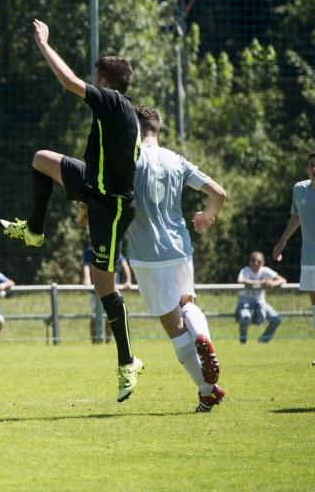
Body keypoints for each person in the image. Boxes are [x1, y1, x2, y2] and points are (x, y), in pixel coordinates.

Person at [0, 19, 143, 402]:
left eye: (97, 78)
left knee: (104, 288)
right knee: (42, 159)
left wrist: (45, 43)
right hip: (93, 185)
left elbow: (67, 81)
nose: (92, 83)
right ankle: (34, 229)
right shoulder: (115, 107)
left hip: (110, 206)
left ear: (106, 82)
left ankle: (127, 361)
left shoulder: (113, 102)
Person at [125, 105, 227, 412]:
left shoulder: (127, 160)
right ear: (157, 128)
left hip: (146, 254)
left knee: (174, 326)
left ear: (133, 127)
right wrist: (208, 215)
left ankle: (207, 390)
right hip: (180, 247)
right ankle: (204, 339)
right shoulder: (175, 159)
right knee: (188, 304)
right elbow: (218, 194)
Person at [273, 152, 315, 335]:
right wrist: (282, 242)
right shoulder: (299, 189)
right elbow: (296, 216)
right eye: (312, 164)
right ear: (307, 168)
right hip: (309, 257)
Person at [79, 241, 132, 344]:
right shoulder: (90, 251)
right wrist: (87, 280)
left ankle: (108, 341)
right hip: (96, 291)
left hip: (112, 289)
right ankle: (95, 341)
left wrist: (128, 281)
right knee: (95, 315)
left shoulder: (112, 247)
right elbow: (86, 266)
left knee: (111, 315)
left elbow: (124, 264)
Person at [236, 251, 286, 344]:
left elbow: (282, 280)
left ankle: (263, 340)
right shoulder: (245, 270)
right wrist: (261, 283)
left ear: (263, 263)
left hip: (260, 302)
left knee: (276, 319)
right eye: (253, 261)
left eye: (258, 261)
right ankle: (243, 339)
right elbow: (240, 280)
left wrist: (272, 283)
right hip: (245, 301)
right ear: (249, 262)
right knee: (245, 317)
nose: (256, 263)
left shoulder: (265, 270)